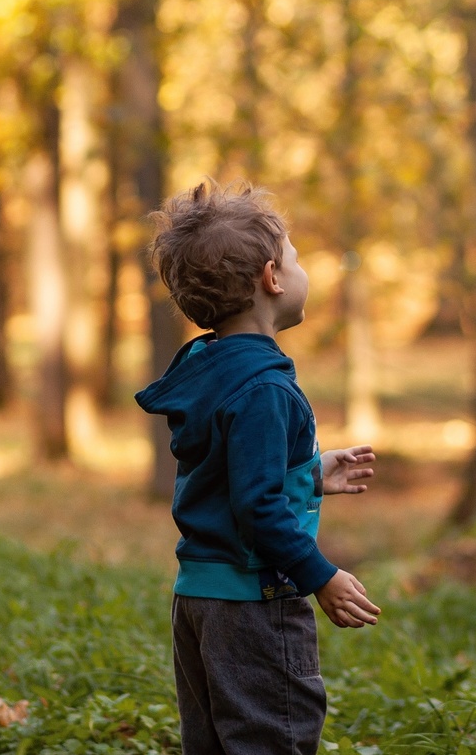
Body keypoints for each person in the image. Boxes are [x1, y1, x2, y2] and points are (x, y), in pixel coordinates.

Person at [135, 180, 381, 754]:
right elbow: (257, 507)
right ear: (272, 279)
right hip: (256, 604)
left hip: (199, 598)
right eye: (294, 259)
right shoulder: (265, 388)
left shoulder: (208, 368)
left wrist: (311, 474)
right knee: (271, 737)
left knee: (214, 743)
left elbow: (229, 478)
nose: (301, 271)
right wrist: (321, 576)